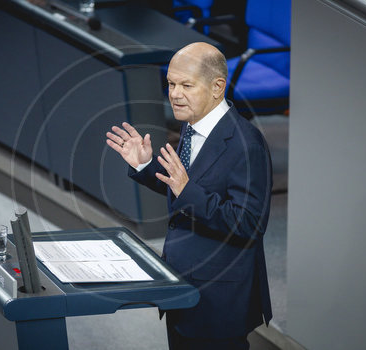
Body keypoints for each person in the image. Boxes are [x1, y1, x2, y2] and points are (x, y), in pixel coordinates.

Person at [106, 42, 272, 350]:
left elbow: (249, 224)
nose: (174, 94)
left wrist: (186, 189)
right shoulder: (194, 125)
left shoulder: (246, 145)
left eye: (186, 85)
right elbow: (188, 188)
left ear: (217, 87)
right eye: (170, 84)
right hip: (183, 285)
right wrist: (144, 165)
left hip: (218, 297)